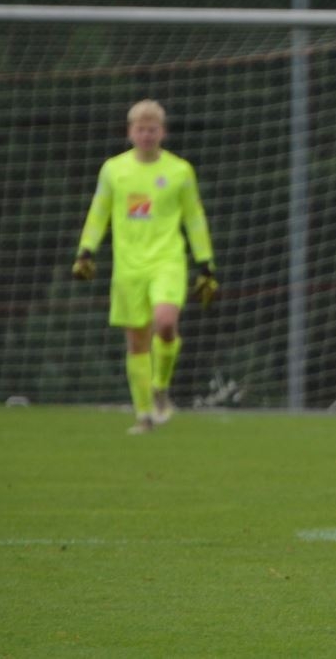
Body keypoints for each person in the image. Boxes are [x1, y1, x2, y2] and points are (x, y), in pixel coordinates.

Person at [72, 100, 218, 434]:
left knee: (165, 323)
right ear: (130, 133)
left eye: (152, 129)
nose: (147, 135)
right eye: (141, 129)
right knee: (137, 342)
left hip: (167, 260)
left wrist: (205, 262)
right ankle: (144, 415)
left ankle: (160, 387)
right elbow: (99, 211)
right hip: (128, 266)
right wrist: (85, 251)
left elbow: (194, 217)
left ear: (162, 132)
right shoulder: (114, 170)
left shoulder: (179, 171)